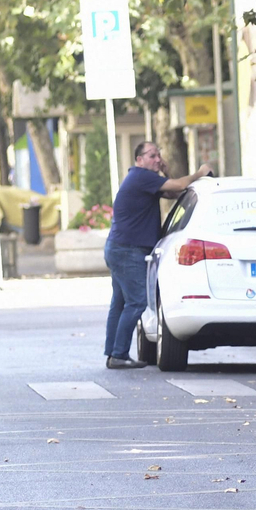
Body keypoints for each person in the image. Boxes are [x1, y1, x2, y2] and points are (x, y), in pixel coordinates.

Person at [103, 142, 213, 368]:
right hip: (128, 250)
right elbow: (181, 184)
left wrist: (165, 169)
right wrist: (201, 172)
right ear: (139, 159)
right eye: (152, 155)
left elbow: (175, 192)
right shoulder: (142, 177)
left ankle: (113, 352)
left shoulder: (143, 180)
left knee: (120, 302)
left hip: (120, 248)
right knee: (136, 302)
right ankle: (119, 355)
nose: (156, 158)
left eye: (158, 155)